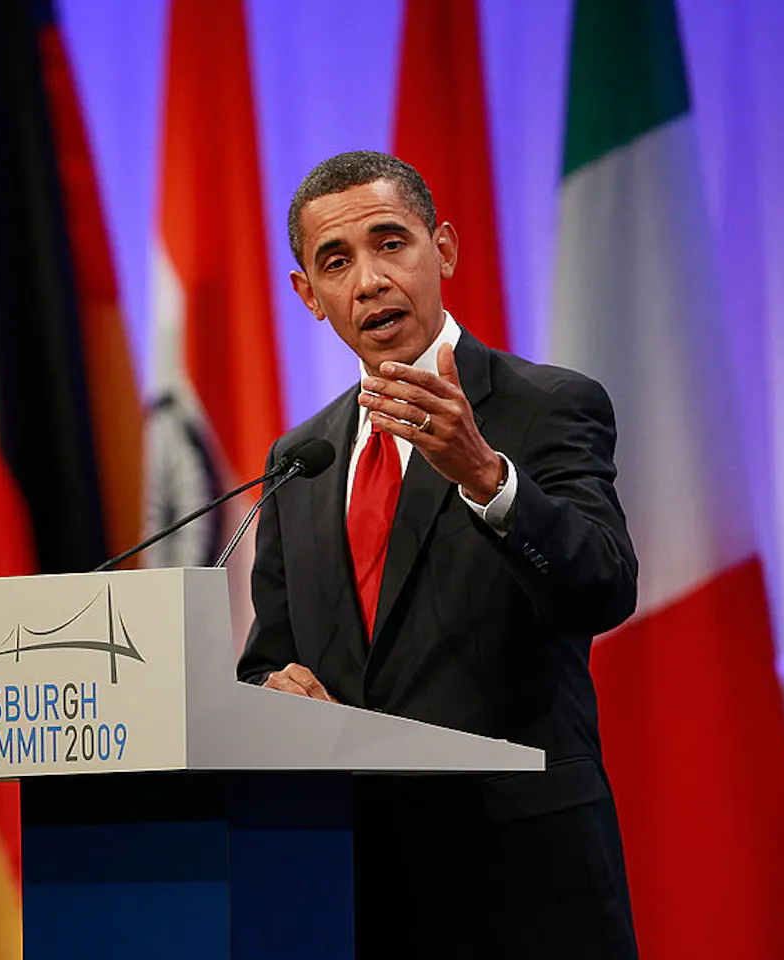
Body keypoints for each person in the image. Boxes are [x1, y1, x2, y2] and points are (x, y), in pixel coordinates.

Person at [238, 151, 639, 959]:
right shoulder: (300, 458)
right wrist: (274, 690)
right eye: (336, 261)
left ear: (444, 250)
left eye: (392, 244)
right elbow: (266, 661)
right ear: (307, 296)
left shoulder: (544, 407)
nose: (371, 280)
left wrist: (488, 478)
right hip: (357, 888)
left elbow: (602, 588)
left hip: (522, 886)